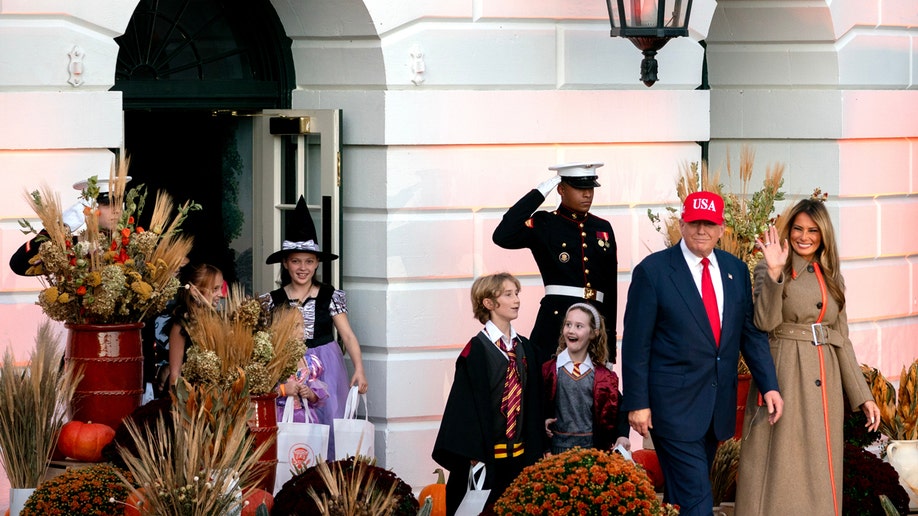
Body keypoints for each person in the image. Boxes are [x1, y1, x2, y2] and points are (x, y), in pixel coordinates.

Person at [620, 191, 784, 516]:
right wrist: (637, 403)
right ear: (682, 224)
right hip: (672, 409)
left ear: (722, 229)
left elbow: (749, 334)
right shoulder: (653, 272)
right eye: (694, 223)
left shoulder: (735, 270)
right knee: (697, 499)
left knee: (682, 498)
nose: (701, 231)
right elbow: (636, 345)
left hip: (715, 410)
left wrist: (770, 384)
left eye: (709, 224)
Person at [734, 198, 880, 515]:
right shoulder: (770, 268)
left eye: (813, 230)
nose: (804, 236)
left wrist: (863, 396)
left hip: (824, 381)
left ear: (823, 234)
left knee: (819, 464)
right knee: (780, 465)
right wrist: (774, 272)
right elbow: (764, 322)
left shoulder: (832, 277)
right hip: (784, 373)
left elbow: (842, 339)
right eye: (798, 228)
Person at [260, 196, 368, 460]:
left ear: (317, 263)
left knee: (330, 422)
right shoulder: (271, 301)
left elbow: (348, 336)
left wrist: (359, 369)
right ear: (285, 263)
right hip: (288, 367)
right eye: (296, 261)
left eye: (309, 261)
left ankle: (327, 477)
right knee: (294, 427)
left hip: (327, 365)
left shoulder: (330, 295)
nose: (302, 268)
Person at [432, 273, 544, 516]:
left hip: (521, 459)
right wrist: (473, 453)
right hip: (486, 459)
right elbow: (463, 408)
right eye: (508, 294)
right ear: (489, 303)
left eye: (516, 294)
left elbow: (534, 399)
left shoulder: (525, 348)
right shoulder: (476, 351)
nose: (516, 300)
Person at [492, 162, 618, 365]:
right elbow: (503, 235)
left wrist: (610, 350)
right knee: (546, 389)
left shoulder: (602, 228)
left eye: (590, 188)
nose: (587, 194)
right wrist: (539, 193)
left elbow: (610, 292)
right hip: (556, 322)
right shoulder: (545, 223)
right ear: (561, 189)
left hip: (593, 327)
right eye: (579, 188)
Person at [542, 303, 630, 454]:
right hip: (555, 452)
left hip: (592, 451)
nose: (571, 330)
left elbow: (619, 407)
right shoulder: (548, 370)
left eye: (579, 326)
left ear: (593, 333)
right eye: (568, 324)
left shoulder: (604, 377)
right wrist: (541, 423)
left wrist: (622, 435)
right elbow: (536, 406)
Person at [10, 175, 128, 276]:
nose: (117, 210)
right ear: (89, 208)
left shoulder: (133, 244)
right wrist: (60, 228)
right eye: (108, 204)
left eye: (119, 203)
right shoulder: (74, 247)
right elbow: (19, 265)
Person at [160, 263, 226, 386]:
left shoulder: (217, 321)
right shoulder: (181, 324)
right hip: (187, 395)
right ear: (195, 291)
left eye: (220, 288)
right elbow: (175, 373)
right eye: (215, 289)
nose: (221, 294)